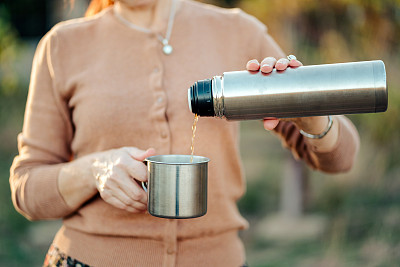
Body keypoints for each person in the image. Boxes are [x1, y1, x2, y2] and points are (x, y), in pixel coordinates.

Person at [9, 0, 360, 266]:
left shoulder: (237, 31)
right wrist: (93, 170)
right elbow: (27, 188)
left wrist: (313, 119)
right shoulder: (62, 45)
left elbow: (342, 159)